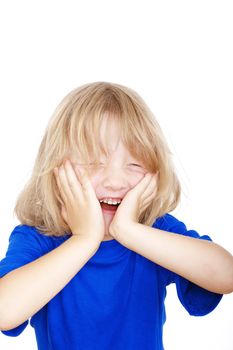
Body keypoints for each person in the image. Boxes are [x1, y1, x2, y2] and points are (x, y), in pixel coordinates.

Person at [0, 82, 232, 350]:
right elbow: (5, 311)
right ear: (56, 170)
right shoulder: (38, 238)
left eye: (134, 164)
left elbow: (226, 274)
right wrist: (85, 239)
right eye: (94, 162)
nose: (115, 180)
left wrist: (129, 231)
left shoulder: (153, 231)